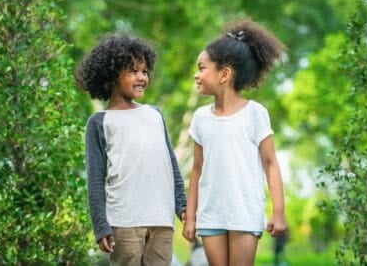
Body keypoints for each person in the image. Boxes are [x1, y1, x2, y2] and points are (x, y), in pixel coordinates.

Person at [75, 33, 187, 266]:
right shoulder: (99, 122)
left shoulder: (155, 114)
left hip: (161, 219)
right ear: (112, 74)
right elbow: (95, 180)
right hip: (124, 221)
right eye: (133, 70)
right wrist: (100, 225)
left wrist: (182, 205)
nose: (142, 77)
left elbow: (171, 165)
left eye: (145, 71)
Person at [182, 19, 288, 265]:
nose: (196, 75)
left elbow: (271, 164)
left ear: (224, 74)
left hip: (244, 212)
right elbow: (196, 170)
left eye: (201, 68)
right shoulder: (200, 118)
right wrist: (190, 217)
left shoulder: (255, 114)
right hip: (210, 215)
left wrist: (279, 212)